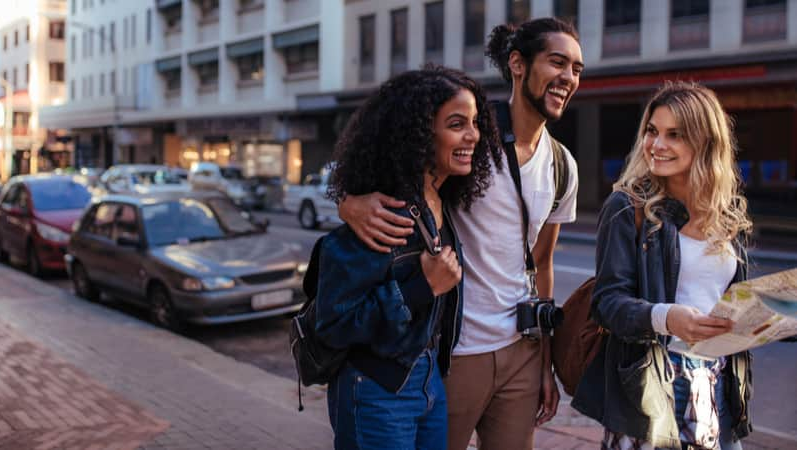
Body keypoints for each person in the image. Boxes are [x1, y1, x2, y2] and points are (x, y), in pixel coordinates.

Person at [338, 18, 583, 450]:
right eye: (557, 62)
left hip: (521, 353)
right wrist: (349, 201)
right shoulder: (472, 140)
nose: (568, 77)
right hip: (455, 352)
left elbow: (541, 264)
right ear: (518, 64)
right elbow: (395, 171)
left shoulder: (563, 165)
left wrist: (544, 362)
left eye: (577, 69)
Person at [315, 65, 501, 449]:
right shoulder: (384, 210)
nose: (473, 135)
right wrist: (420, 288)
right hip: (378, 386)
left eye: (475, 122)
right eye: (456, 124)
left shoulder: (444, 201)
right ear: (419, 134)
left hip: (429, 377)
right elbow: (334, 322)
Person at [572, 81, 754, 450]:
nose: (656, 145)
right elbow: (607, 303)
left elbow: (727, 299)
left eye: (675, 135)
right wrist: (667, 317)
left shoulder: (727, 214)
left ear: (705, 142)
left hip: (718, 381)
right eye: (652, 132)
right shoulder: (628, 207)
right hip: (655, 380)